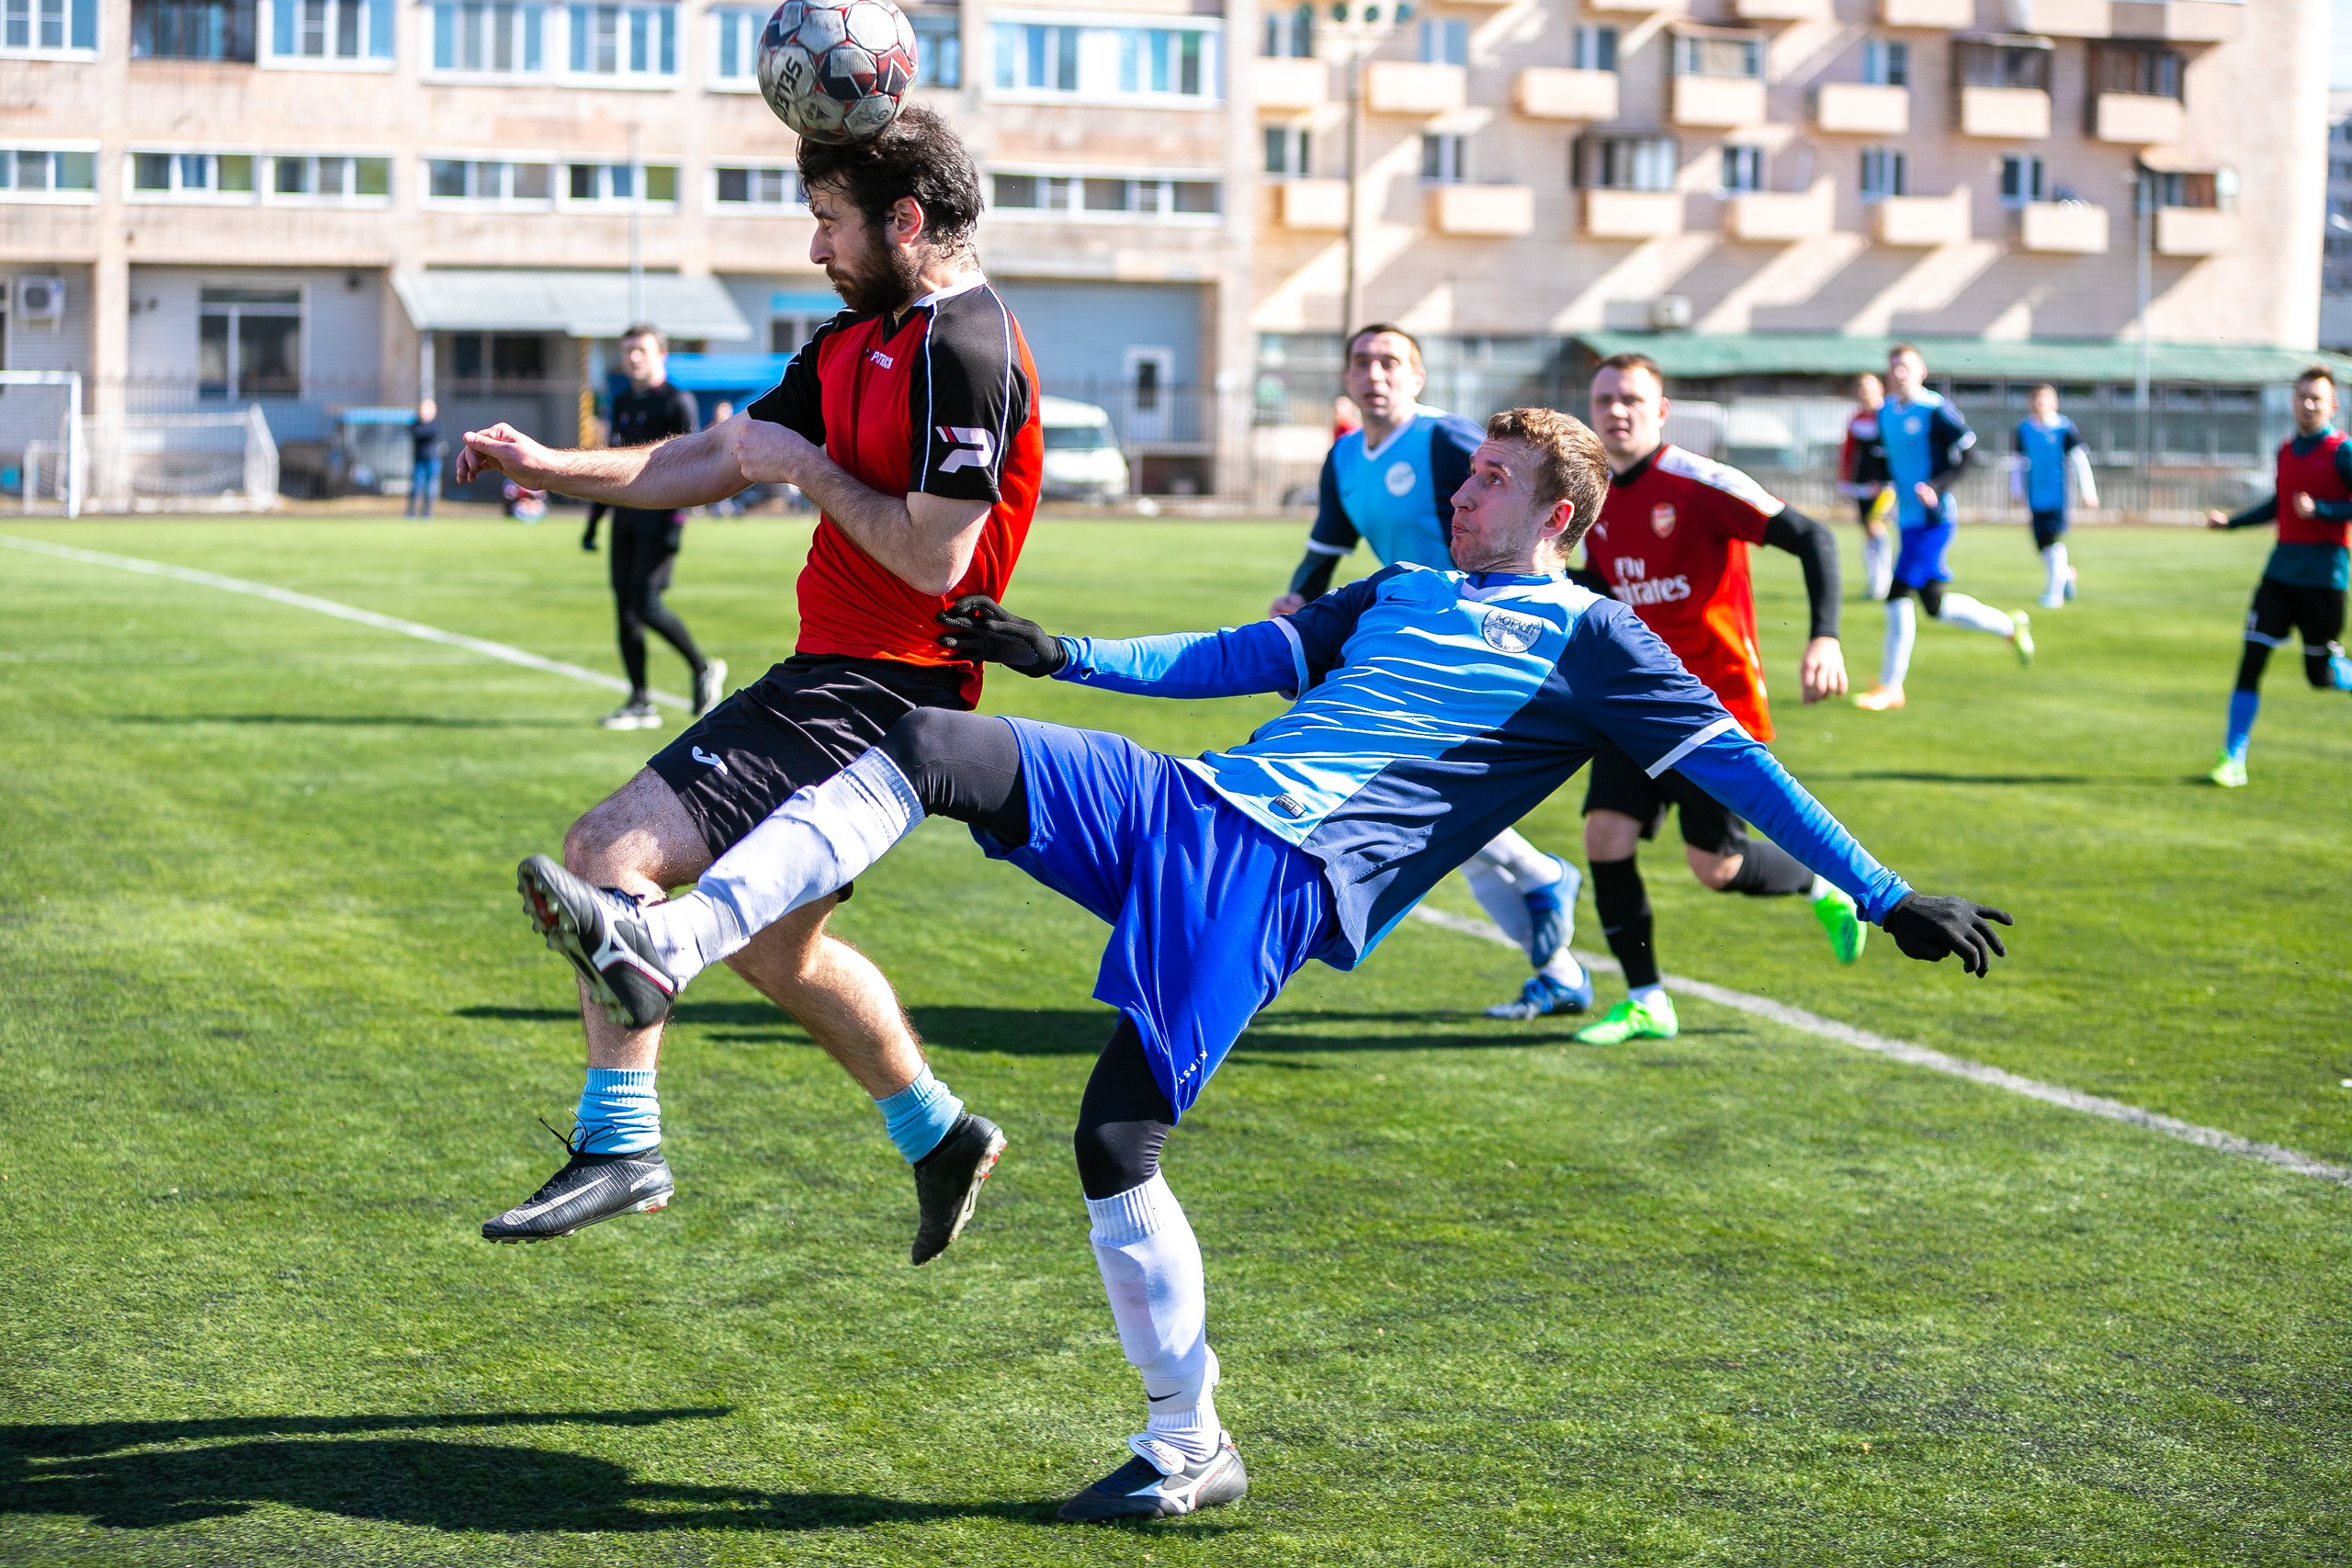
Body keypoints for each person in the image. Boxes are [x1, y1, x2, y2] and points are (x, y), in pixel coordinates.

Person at [526, 406, 2009, 1523]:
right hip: (1195, 801)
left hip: (1281, 875)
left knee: (1112, 1139)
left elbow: (1745, 766)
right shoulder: (1399, 591)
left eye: (1488, 473)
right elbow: (1242, 653)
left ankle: (1188, 1444)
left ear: (1556, 506)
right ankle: (670, 939)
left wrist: (1878, 893)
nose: (1461, 482)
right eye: (1469, 467)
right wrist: (1066, 653)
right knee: (931, 743)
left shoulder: (1599, 639)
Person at [456, 107, 1045, 1263]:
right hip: (833, 673)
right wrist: (548, 465)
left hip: (884, 690)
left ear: (906, 220)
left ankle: (620, 1141)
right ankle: (937, 1133)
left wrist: (807, 469)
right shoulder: (850, 342)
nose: (816, 248)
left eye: (830, 222)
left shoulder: (967, 352)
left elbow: (936, 558)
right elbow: (712, 457)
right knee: (775, 948)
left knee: (606, 853)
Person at [1268, 324, 1588, 1021]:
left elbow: (1523, 514)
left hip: (1481, 643)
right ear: (1346, 378)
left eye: (1391, 362)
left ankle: (1544, 876)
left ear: (1416, 378)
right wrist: (1299, 600)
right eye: (1361, 361)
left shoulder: (1447, 440)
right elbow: (1325, 547)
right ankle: (1559, 964)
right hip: (1415, 643)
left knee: (1417, 799)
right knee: (1450, 829)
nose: (1374, 373)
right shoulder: (1345, 455)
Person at [1564, 353, 1860, 1044]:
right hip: (1633, 701)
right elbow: (1609, 587)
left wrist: (1825, 638)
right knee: (1605, 836)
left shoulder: (1698, 481)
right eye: (1604, 398)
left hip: (1711, 706)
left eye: (1632, 398)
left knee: (1717, 867)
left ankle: (1825, 886)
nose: (1617, 411)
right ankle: (1647, 1001)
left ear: (1661, 410)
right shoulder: (1596, 494)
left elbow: (1812, 535)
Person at [1854, 344, 2034, 712]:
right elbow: (1890, 459)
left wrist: (1935, 487)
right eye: (1893, 367)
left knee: (1897, 593)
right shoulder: (1886, 412)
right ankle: (2009, 626)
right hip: (1907, 519)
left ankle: (1891, 687)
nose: (1898, 373)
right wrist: (1879, 482)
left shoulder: (1936, 410)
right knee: (1935, 604)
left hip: (1935, 521)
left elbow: (1971, 455)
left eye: (1905, 366)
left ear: (1922, 370)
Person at [2201, 365, 2352, 787]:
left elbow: (2318, 507)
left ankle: (2342, 671)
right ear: (2292, 401)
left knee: (2320, 677)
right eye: (2302, 396)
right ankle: (2232, 758)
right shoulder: (2286, 450)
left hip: (2325, 579)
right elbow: (2279, 506)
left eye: (2316, 398)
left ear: (2332, 405)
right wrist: (2230, 523)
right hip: (2279, 575)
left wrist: (2322, 510)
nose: (2308, 404)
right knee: (2251, 661)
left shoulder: (2343, 452)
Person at [589, 324, 723, 730]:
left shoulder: (676, 402)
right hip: (624, 518)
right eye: (627, 350)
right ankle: (640, 701)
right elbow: (612, 464)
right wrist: (594, 522)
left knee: (646, 604)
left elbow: (692, 462)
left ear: (660, 355)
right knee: (624, 611)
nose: (633, 358)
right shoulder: (624, 399)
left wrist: (677, 521)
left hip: (661, 519)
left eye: (641, 350)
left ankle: (702, 668)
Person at [2010, 383, 2096, 609]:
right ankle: (2065, 575)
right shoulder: (2024, 429)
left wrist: (2089, 492)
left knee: (2054, 541)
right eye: (2036, 398)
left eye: (2046, 398)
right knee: (2042, 544)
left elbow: (2079, 460)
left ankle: (2054, 592)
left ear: (2054, 402)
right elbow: (2018, 463)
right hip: (2035, 495)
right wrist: (2016, 491)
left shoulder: (2064, 428)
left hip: (2059, 496)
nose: (2041, 403)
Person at [1838, 373, 1894, 600]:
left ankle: (1884, 580)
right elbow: (1849, 452)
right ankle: (1874, 579)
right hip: (1861, 483)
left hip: (1885, 485)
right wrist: (1845, 480)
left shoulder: (1889, 415)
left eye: (1868, 387)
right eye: (1861, 387)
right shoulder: (1857, 418)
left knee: (1875, 525)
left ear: (1879, 388)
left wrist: (1885, 480)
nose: (1864, 391)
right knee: (1867, 529)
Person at [405, 398, 441, 520]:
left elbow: (433, 433)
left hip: (433, 460)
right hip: (419, 460)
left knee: (429, 488)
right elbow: (416, 433)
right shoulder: (416, 423)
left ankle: (426, 512)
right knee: (416, 487)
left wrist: (425, 430)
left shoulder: (436, 423)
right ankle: (411, 512)